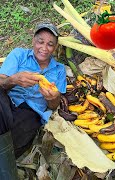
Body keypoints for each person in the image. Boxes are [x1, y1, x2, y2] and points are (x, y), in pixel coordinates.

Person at [0, 22, 67, 158]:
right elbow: (1, 83)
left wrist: (52, 98)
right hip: (7, 101)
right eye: (40, 42)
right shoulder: (19, 55)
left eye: (50, 44)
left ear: (55, 48)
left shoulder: (59, 70)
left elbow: (54, 106)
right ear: (33, 41)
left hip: (30, 111)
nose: (44, 48)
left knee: (12, 144)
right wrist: (13, 80)